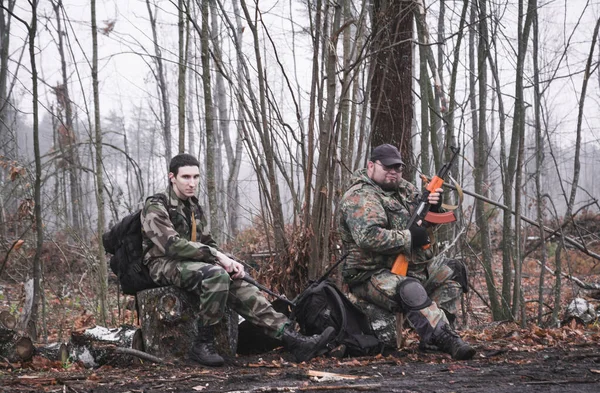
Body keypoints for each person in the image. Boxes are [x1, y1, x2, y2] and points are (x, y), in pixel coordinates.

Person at [140, 153, 335, 366]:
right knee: (215, 276)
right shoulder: (156, 205)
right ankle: (202, 345)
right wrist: (216, 257)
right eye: (186, 177)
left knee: (238, 281)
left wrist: (229, 261)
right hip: (162, 264)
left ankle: (292, 339)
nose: (192, 183)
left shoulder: (193, 208)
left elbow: (208, 244)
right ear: (172, 177)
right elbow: (172, 245)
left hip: (190, 263)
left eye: (196, 177)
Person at [338, 144, 475, 360]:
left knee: (454, 269)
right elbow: (368, 237)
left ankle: (434, 338)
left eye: (398, 168)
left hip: (414, 267)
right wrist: (410, 238)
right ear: (371, 166)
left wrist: (435, 208)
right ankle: (445, 338)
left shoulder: (407, 189)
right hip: (371, 274)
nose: (393, 172)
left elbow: (423, 226)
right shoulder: (361, 196)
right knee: (409, 289)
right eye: (388, 167)